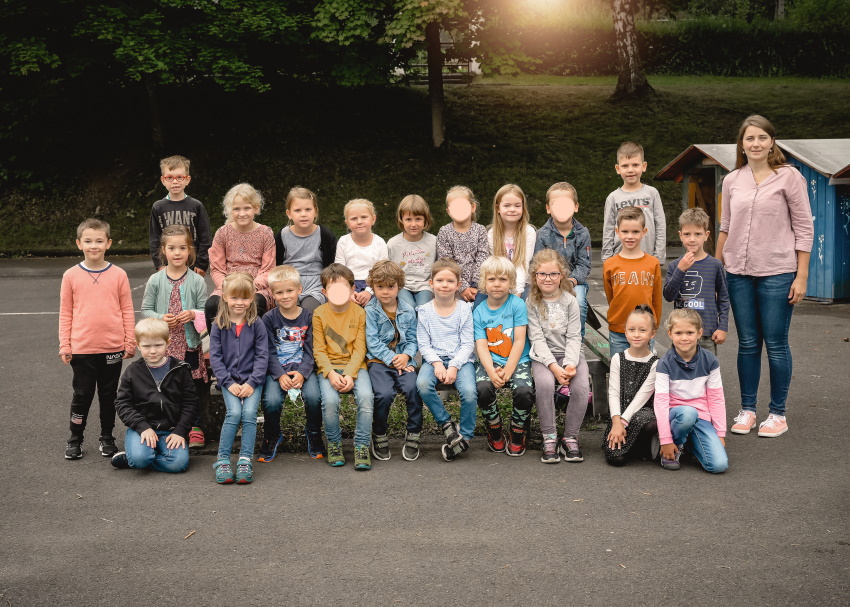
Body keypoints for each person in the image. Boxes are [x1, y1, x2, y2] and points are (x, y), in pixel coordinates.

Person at [716, 114, 814, 438]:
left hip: (778, 271)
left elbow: (804, 229)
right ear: (741, 145)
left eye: (762, 137)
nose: (755, 143)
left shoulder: (789, 177)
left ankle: (777, 414)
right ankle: (747, 410)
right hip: (737, 272)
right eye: (749, 138)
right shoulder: (732, 180)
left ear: (772, 141)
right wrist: (717, 270)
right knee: (746, 343)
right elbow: (725, 227)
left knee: (775, 343)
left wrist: (801, 276)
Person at [59, 219, 135, 460]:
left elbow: (127, 310)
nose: (94, 246)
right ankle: (75, 438)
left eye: (99, 241)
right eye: (88, 241)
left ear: (108, 243)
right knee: (82, 395)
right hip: (82, 348)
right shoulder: (70, 275)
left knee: (108, 395)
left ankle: (107, 437)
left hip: (112, 347)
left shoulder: (119, 274)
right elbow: (65, 312)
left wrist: (129, 341)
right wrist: (65, 343)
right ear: (79, 243)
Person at [141, 225, 209, 449]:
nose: (177, 252)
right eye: (172, 248)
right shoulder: (155, 280)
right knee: (168, 383)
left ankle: (196, 427)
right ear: (163, 250)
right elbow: (146, 309)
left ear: (190, 250)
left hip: (190, 343)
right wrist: (161, 317)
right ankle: (171, 424)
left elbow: (204, 311)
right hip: (165, 344)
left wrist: (192, 314)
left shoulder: (197, 281)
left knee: (193, 384)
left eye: (183, 247)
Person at [526, 249, 591, 464]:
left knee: (581, 386)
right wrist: (554, 367)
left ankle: (570, 436)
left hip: (570, 353)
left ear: (561, 275)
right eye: (543, 274)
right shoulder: (532, 302)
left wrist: (570, 365)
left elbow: (574, 336)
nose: (548, 278)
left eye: (553, 274)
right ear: (535, 276)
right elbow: (536, 339)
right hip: (544, 357)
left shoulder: (570, 301)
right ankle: (549, 437)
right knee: (544, 384)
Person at [111, 318, 198, 473]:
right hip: (143, 428)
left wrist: (180, 431)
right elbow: (123, 403)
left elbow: (191, 403)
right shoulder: (133, 371)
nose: (153, 351)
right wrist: (142, 427)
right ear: (138, 345)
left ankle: (135, 460)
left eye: (158, 345)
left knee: (178, 463)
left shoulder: (180, 369)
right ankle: (137, 458)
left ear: (168, 342)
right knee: (140, 458)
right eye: (146, 346)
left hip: (171, 430)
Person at [259, 265, 324, 463]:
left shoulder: (309, 317)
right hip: (277, 370)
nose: (285, 296)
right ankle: (272, 434)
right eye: (279, 292)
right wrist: (279, 375)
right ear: (272, 294)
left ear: (299, 290)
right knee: (271, 401)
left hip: (303, 369)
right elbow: (268, 351)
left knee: (314, 397)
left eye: (289, 291)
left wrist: (303, 373)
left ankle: (313, 433)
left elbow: (311, 349)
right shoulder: (268, 319)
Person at [312, 263, 374, 470]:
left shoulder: (359, 313)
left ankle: (362, 445)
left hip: (355, 367)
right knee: (329, 401)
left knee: (366, 397)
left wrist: (349, 373)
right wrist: (330, 374)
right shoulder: (319, 314)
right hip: (328, 368)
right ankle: (335, 444)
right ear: (324, 291)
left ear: (353, 289)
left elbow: (360, 348)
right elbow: (319, 350)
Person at [210, 272, 269, 484]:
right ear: (224, 296)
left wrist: (252, 382)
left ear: (252, 298)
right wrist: (228, 382)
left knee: (250, 413)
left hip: (252, 382)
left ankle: (245, 460)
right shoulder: (218, 325)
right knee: (234, 412)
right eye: (234, 297)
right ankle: (223, 460)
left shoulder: (257, 324)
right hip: (229, 382)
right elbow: (215, 357)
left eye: (244, 298)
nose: (239, 302)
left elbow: (263, 356)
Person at [416, 259, 478, 461]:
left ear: (458, 285)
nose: (444, 285)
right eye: (440, 280)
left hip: (461, 360)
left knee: (469, 392)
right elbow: (424, 344)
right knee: (423, 384)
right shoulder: (424, 311)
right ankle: (447, 425)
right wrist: (436, 364)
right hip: (434, 359)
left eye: (450, 281)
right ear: (431, 283)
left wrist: (453, 366)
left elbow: (468, 344)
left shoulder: (465, 309)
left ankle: (465, 436)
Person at [474, 256, 535, 457]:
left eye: (503, 279)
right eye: (492, 279)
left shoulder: (517, 304)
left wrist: (508, 369)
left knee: (524, 390)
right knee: (483, 388)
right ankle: (495, 430)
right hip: (490, 362)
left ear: (511, 282)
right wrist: (492, 371)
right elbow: (481, 345)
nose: (497, 284)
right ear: (484, 282)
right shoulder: (479, 311)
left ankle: (518, 432)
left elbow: (519, 340)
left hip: (517, 361)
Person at [654, 309, 728, 473]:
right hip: (677, 415)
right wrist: (665, 439)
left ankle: (690, 443)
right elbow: (660, 403)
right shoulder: (664, 364)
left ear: (699, 333)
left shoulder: (710, 361)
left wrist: (720, 432)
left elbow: (716, 399)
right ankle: (675, 444)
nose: (684, 337)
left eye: (690, 332)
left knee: (719, 465)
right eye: (679, 333)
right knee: (688, 414)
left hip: (701, 417)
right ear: (670, 333)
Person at [365, 261, 423, 461]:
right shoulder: (370, 311)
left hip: (405, 360)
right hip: (379, 361)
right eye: (380, 287)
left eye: (391, 287)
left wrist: (406, 356)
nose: (385, 292)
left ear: (399, 286)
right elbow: (372, 342)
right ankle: (379, 433)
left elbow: (414, 339)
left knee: (413, 389)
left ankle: (414, 432)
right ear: (372, 286)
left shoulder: (407, 310)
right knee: (384, 394)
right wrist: (392, 360)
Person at [204, 183, 276, 331]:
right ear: (230, 210)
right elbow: (216, 268)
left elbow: (269, 269)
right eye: (236, 209)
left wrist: (251, 287)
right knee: (212, 305)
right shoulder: (223, 233)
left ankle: (255, 347)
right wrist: (227, 287)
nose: (242, 213)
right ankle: (220, 348)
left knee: (258, 302)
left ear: (256, 208)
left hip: (256, 286)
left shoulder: (265, 233)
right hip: (228, 284)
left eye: (247, 208)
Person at [663, 208, 729, 356]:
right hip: (681, 333)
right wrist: (681, 270)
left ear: (706, 235)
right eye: (687, 234)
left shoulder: (715, 265)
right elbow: (668, 295)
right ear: (680, 236)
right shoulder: (675, 265)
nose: (692, 239)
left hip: (706, 332)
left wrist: (722, 326)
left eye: (697, 234)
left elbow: (724, 298)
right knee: (679, 372)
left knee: (707, 371)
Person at [603, 305, 660, 467]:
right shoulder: (617, 359)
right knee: (616, 460)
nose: (636, 334)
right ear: (625, 332)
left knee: (648, 422)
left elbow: (642, 396)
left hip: (640, 412)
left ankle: (642, 445)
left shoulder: (655, 363)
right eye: (632, 329)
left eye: (642, 330)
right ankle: (624, 442)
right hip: (618, 413)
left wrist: (624, 422)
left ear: (652, 334)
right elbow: (613, 392)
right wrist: (616, 422)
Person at [602, 207, 663, 357]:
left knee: (646, 373)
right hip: (618, 331)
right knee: (621, 373)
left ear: (644, 232)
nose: (630, 236)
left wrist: (653, 325)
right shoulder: (610, 264)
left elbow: (656, 299)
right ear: (617, 232)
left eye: (635, 232)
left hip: (645, 330)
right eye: (625, 231)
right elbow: (611, 297)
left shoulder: (652, 263)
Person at [534, 182, 592, 336]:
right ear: (548, 208)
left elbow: (584, 264)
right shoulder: (542, 234)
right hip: (549, 281)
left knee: (578, 303)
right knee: (545, 306)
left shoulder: (583, 233)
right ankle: (550, 342)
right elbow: (538, 263)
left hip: (575, 283)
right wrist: (552, 280)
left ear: (576, 206)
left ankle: (577, 340)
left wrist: (571, 281)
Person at [602, 141, 666, 266]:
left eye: (635, 165)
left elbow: (660, 225)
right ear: (618, 168)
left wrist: (659, 256)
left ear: (644, 166)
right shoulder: (613, 198)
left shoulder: (652, 193)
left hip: (648, 258)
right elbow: (608, 229)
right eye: (625, 166)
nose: (630, 170)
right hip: (620, 260)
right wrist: (607, 258)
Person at [274, 186, 338, 312]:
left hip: (315, 284)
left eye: (308, 209)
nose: (303, 214)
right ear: (289, 214)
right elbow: (276, 264)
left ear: (315, 211)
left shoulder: (324, 234)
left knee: (308, 311)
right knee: (290, 311)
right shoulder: (283, 235)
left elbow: (331, 265)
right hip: (288, 283)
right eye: (297, 210)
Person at [148, 155, 212, 276]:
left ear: (187, 179)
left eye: (179, 177)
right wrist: (159, 264)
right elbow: (154, 239)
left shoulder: (196, 206)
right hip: (168, 266)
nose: (175, 181)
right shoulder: (158, 207)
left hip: (193, 266)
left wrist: (202, 263)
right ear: (163, 180)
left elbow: (205, 238)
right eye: (170, 178)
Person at [436, 186, 490, 307]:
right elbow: (447, 262)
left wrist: (475, 285)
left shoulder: (480, 230)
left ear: (473, 207)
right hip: (454, 285)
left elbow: (482, 256)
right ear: (448, 211)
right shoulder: (444, 232)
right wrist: (463, 287)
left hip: (479, 285)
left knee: (482, 308)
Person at [334, 198, 388, 306]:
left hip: (374, 285)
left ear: (373, 219)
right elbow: (339, 271)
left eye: (364, 217)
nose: (359, 222)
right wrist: (349, 292)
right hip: (348, 284)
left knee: (374, 309)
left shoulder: (379, 243)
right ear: (347, 223)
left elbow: (382, 272)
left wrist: (369, 291)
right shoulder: (343, 242)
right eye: (354, 218)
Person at [387, 194, 437, 310]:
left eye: (418, 219)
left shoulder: (434, 242)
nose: (413, 224)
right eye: (408, 219)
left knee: (424, 308)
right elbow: (389, 270)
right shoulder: (393, 244)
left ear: (425, 219)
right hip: (402, 286)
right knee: (409, 307)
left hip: (425, 285)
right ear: (401, 220)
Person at [487, 184, 536, 299]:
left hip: (523, 283)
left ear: (523, 208)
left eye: (517, 206)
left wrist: (517, 292)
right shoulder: (492, 234)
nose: (512, 209)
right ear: (498, 208)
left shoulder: (529, 232)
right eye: (507, 205)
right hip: (498, 281)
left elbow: (523, 265)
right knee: (480, 303)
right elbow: (495, 266)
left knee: (524, 305)